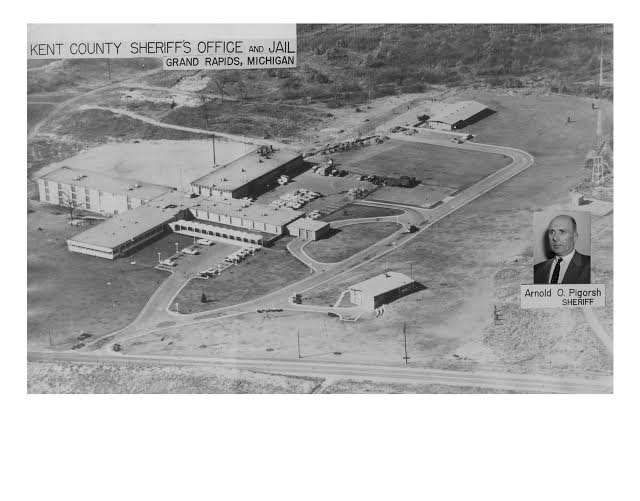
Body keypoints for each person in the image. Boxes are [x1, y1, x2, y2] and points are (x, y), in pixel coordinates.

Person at [534, 215, 590, 284]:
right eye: (552, 232)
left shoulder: (591, 265)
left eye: (562, 232)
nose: (555, 238)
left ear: (575, 237)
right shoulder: (536, 269)